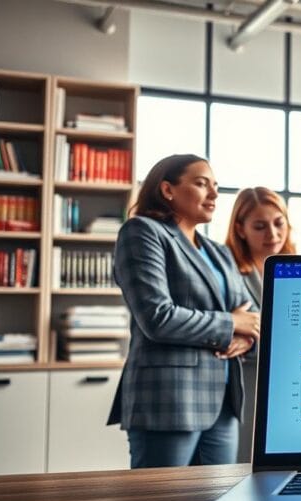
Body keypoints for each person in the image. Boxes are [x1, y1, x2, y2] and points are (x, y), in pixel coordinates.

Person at [108, 154, 259, 468]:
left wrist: (246, 337)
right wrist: (232, 323)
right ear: (167, 190)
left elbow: (252, 313)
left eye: (215, 186)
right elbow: (157, 317)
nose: (214, 194)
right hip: (169, 400)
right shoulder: (142, 232)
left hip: (223, 404)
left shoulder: (219, 251)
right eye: (202, 184)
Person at [224, 186, 296, 462]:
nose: (273, 235)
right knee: (244, 463)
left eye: (279, 224)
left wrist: (252, 334)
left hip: (287, 384)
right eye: (260, 226)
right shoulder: (230, 272)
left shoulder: (294, 268)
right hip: (248, 386)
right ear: (241, 229)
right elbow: (231, 334)